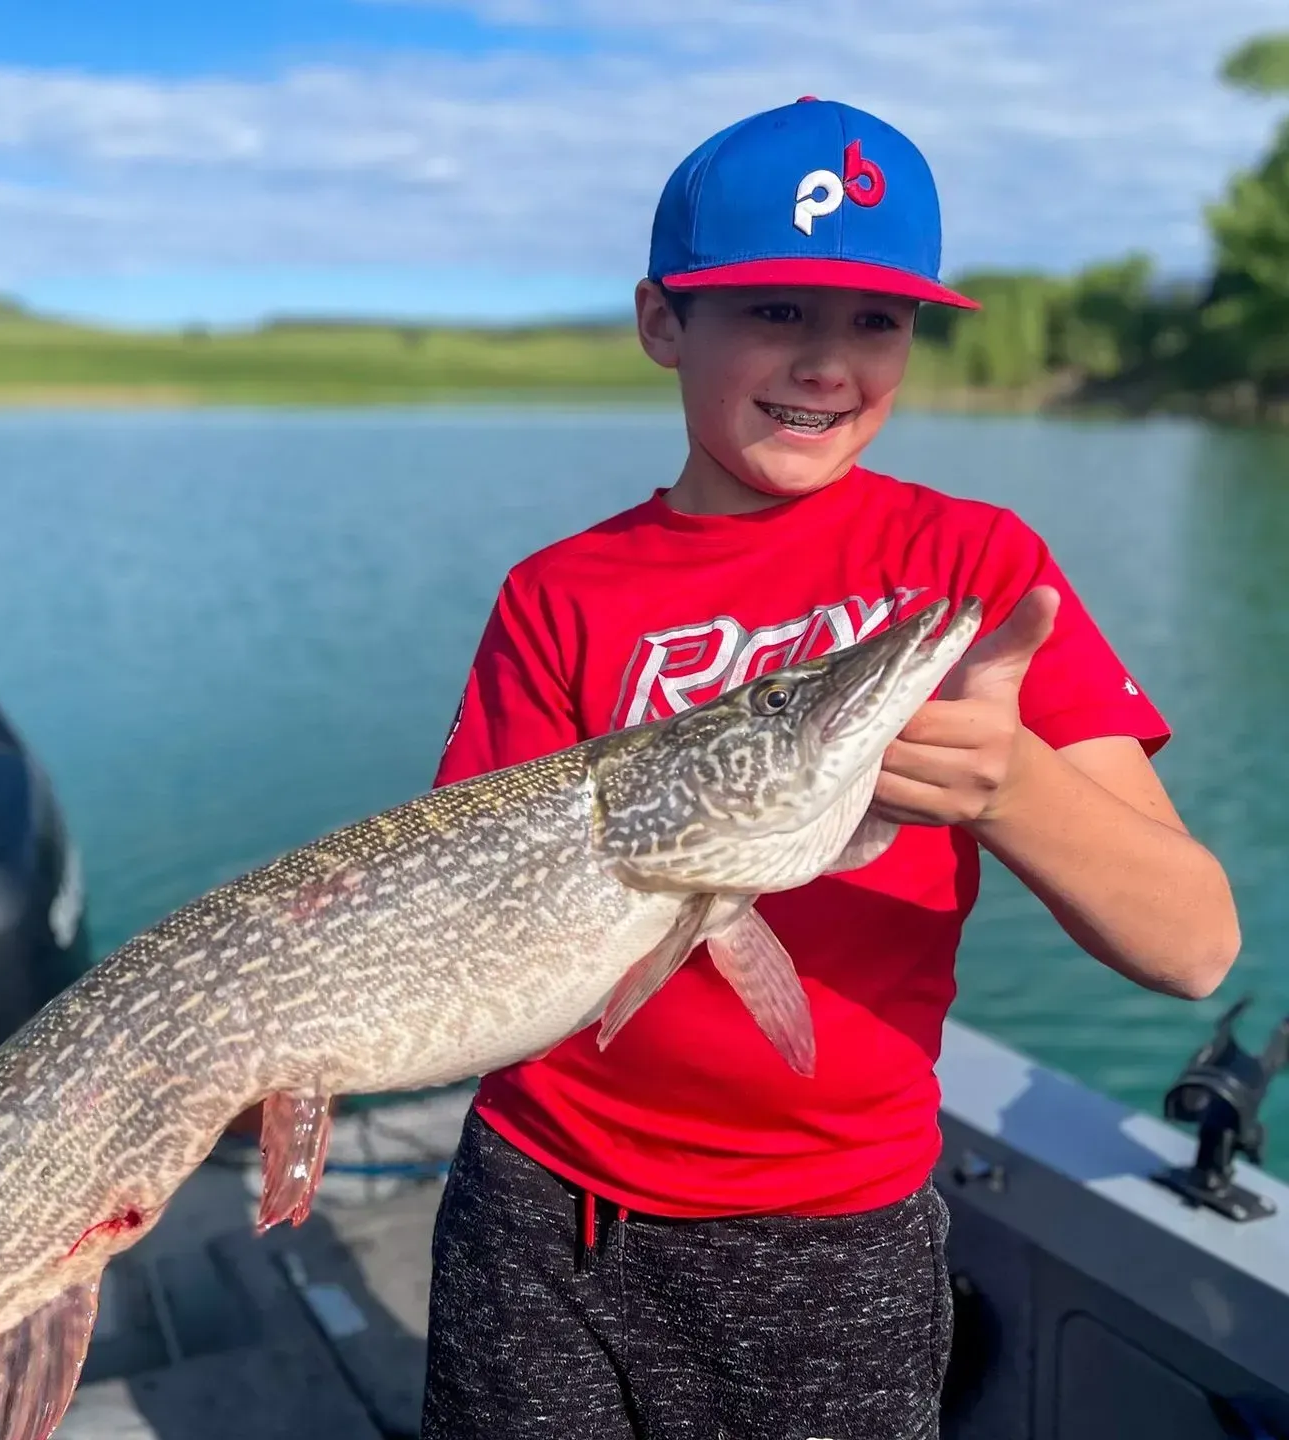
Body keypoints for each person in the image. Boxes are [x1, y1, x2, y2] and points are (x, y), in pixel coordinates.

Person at [417, 96, 1241, 1440]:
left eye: (876, 320)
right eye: (777, 311)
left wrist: (1011, 785)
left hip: (826, 1241)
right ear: (661, 322)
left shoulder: (979, 573)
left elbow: (1194, 945)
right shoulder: (557, 594)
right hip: (536, 1203)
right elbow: (466, 901)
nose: (827, 363)